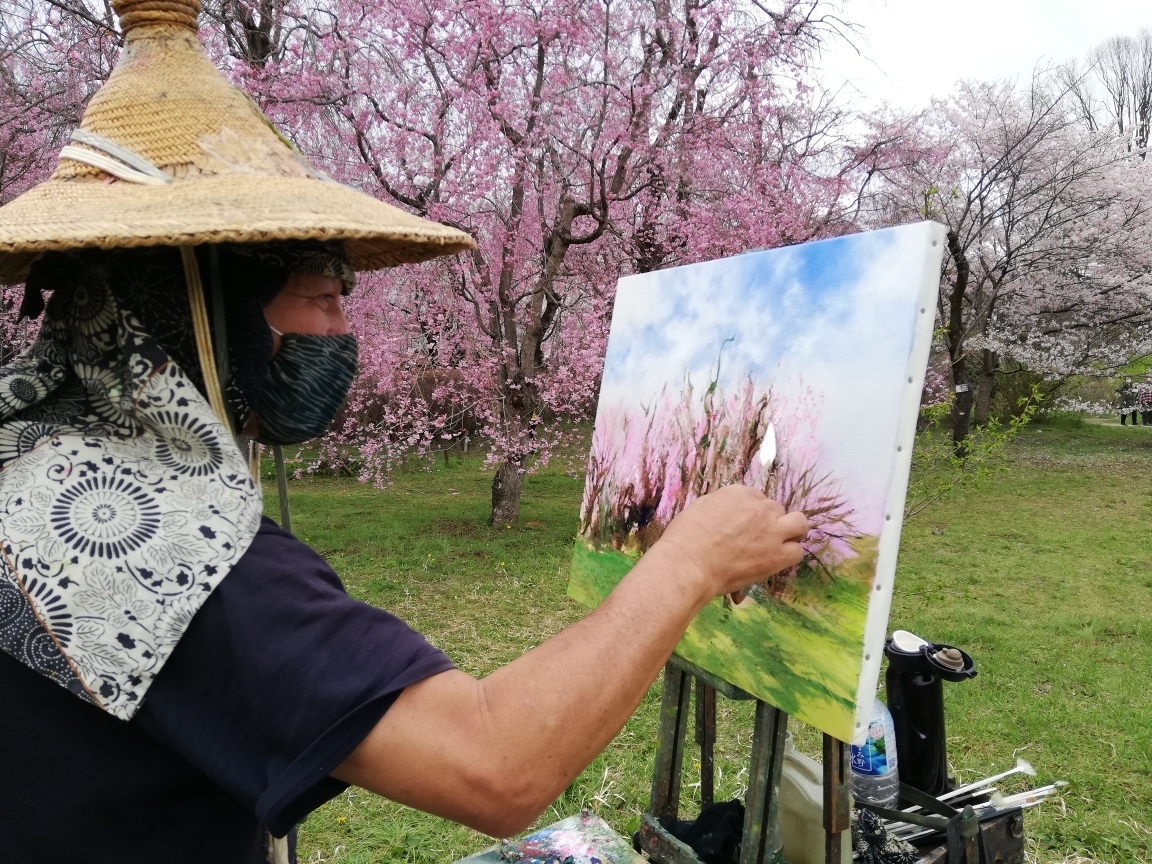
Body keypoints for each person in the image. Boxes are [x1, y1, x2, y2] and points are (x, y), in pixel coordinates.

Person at [0, 2, 809, 862]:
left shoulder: (34, 456)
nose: (343, 332)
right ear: (211, 308)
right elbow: (496, 765)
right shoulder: (151, 540)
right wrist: (691, 559)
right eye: (320, 297)